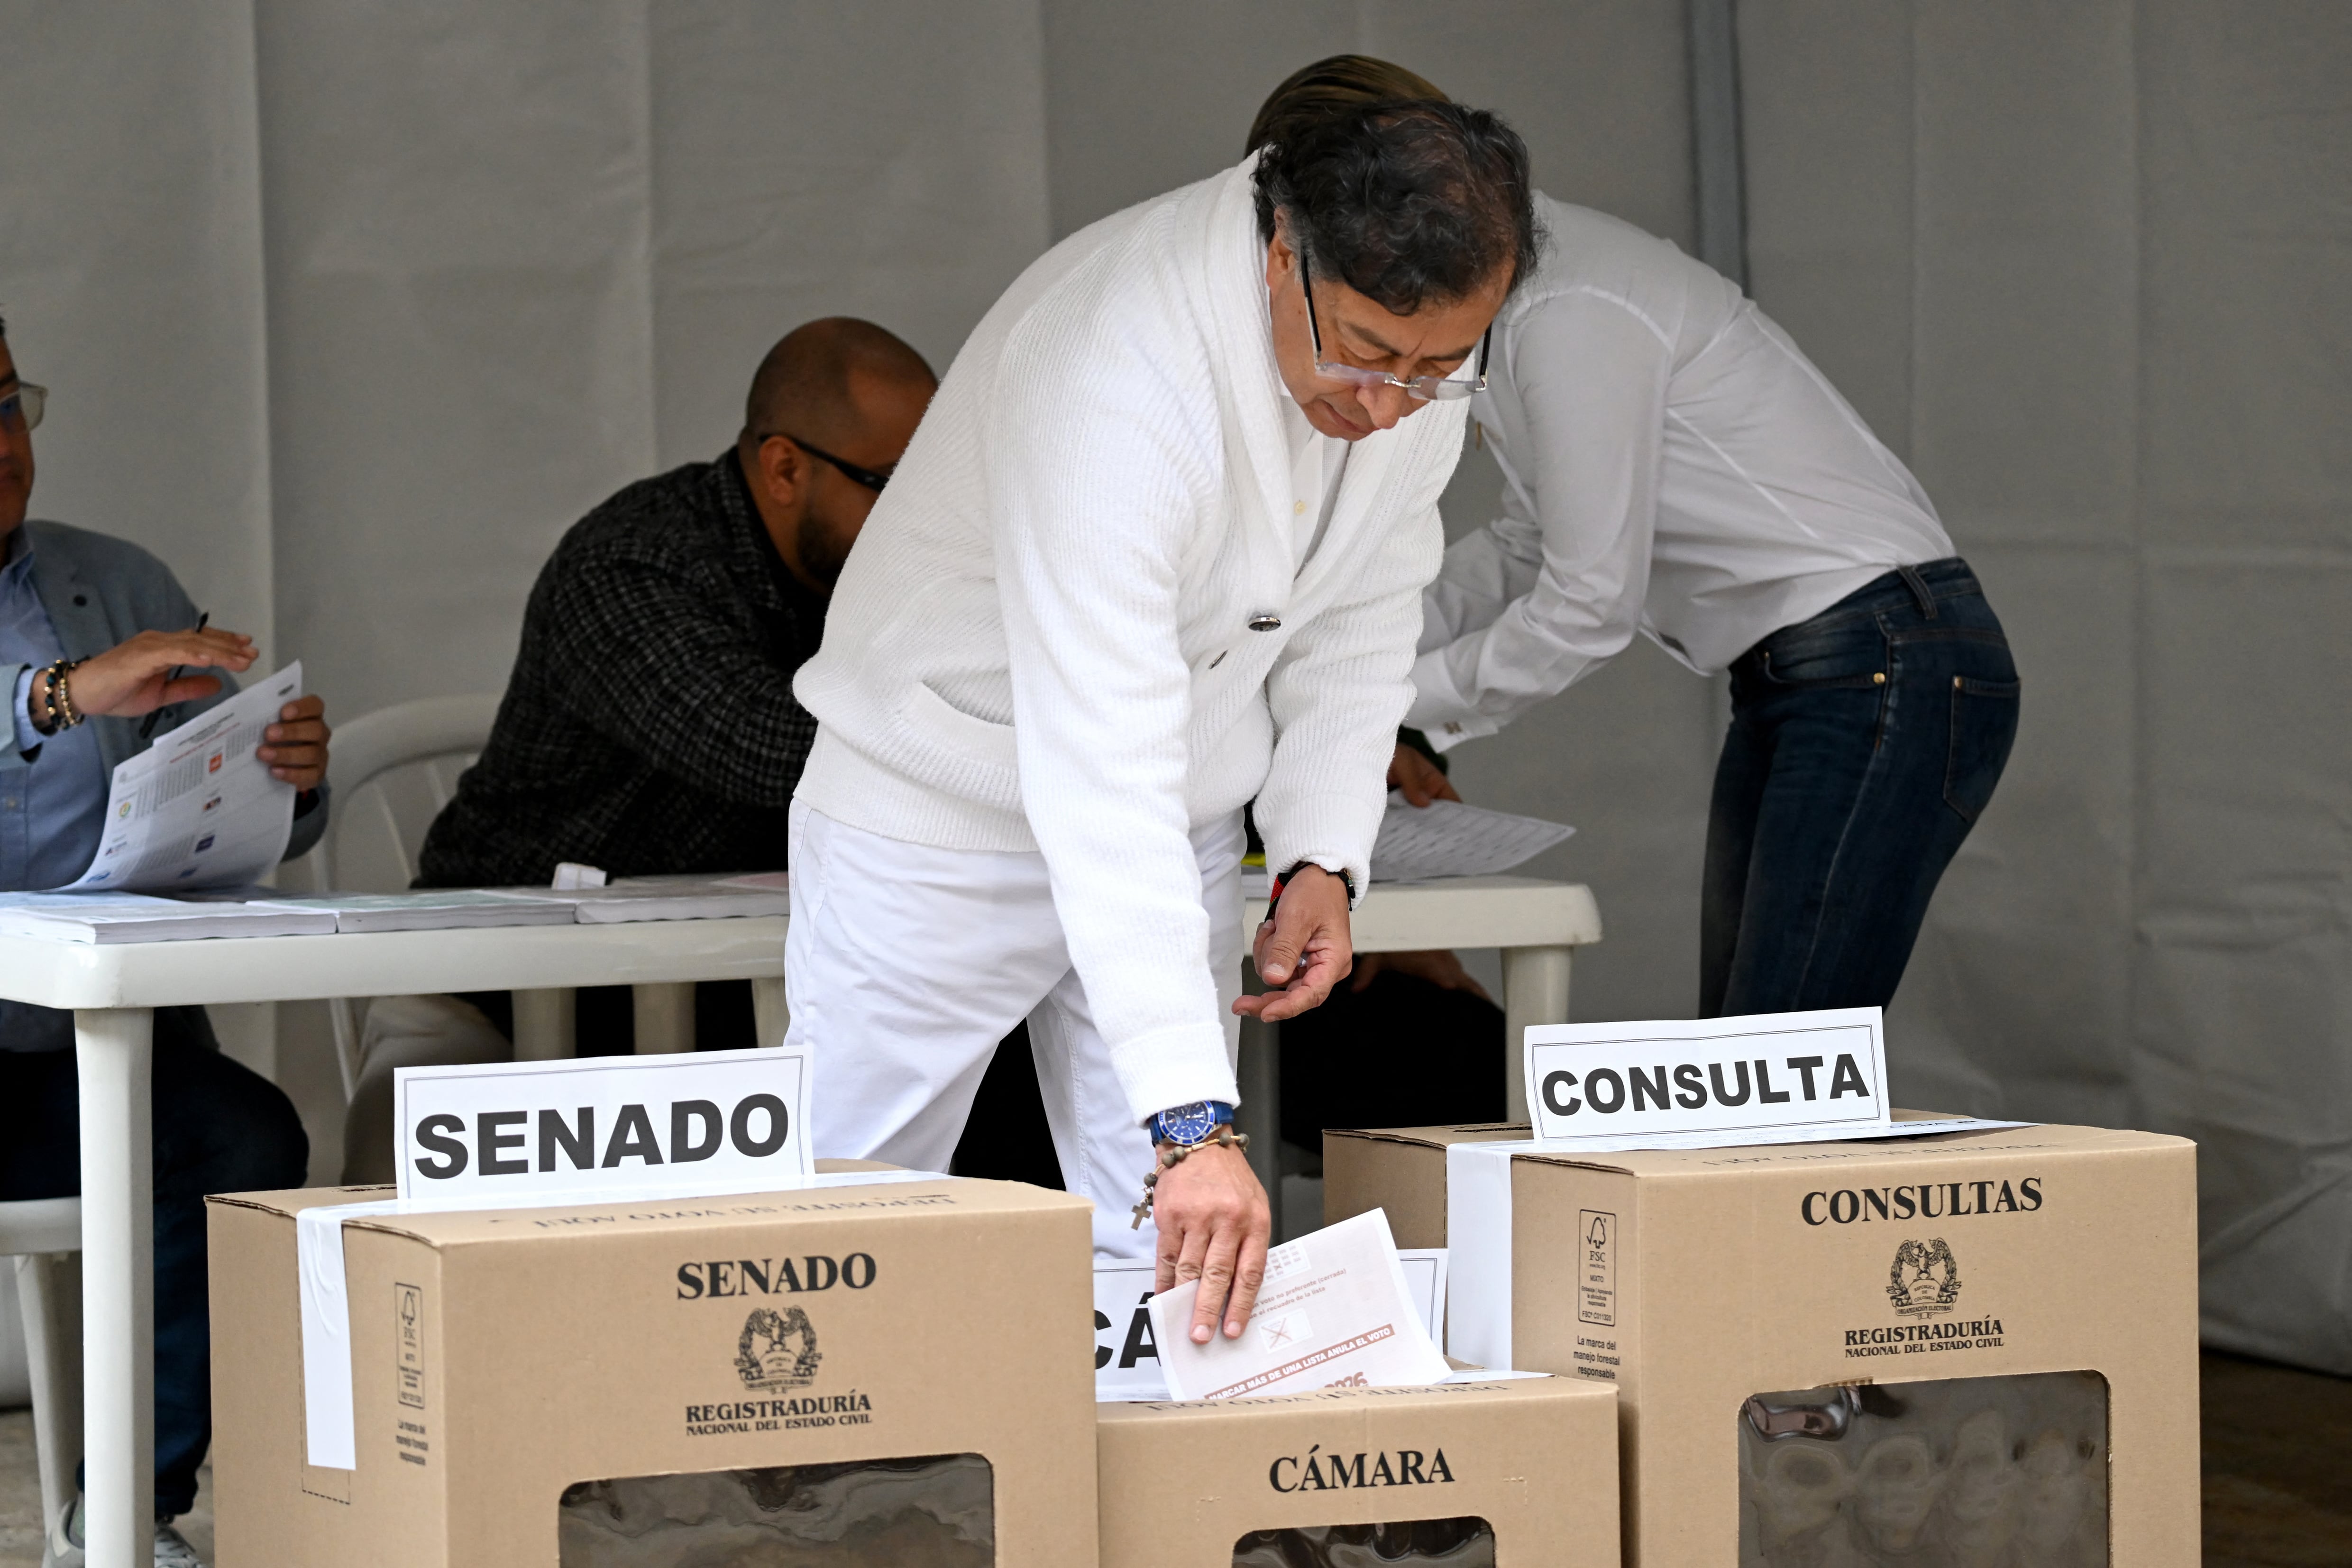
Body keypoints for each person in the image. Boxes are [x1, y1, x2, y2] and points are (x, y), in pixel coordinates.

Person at [787, 101, 1537, 1347]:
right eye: (1364, 352)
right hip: (942, 806)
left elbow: (1361, 617)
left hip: (1172, 807)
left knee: (1170, 1255)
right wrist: (1193, 1120)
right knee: (846, 1216)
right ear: (1281, 253)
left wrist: (1318, 850)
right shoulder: (1114, 373)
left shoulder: (1406, 370)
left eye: (1440, 364)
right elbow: (1101, 757)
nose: (1396, 401)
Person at [1265, 57, 2021, 1020]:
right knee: (1751, 1054)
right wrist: (1335, 649)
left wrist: (1373, 703)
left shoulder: (1567, 306)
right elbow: (1529, 544)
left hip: (1885, 654)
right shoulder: (1506, 301)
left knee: (1773, 1059)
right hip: (1826, 665)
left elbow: (1587, 606)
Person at [336, 320, 938, 1181]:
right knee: (422, 1241)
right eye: (894, 486)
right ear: (783, 469)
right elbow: (777, 755)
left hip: (740, 990)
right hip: (507, 995)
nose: (929, 520)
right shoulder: (631, 568)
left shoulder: (898, 575)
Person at [0, 315, 328, 1567]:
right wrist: (58, 696)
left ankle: (128, 1510)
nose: (1, 442)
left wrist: (282, 776)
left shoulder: (113, 580)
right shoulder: (79, 652)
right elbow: (68, 701)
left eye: (8, 403)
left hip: (95, 1047)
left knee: (243, 1135)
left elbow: (225, 820)